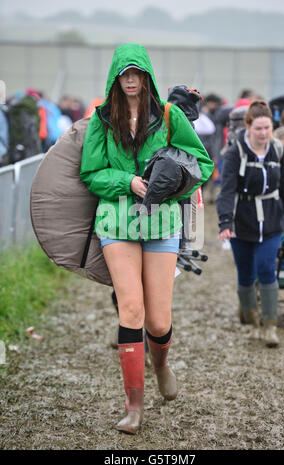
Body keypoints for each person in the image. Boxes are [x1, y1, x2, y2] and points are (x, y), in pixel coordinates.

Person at [80, 43, 213, 434]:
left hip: (161, 224)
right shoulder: (100, 120)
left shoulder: (170, 116)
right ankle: (134, 406)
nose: (132, 80)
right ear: (116, 77)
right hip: (116, 224)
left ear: (148, 76)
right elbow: (90, 174)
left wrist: (169, 180)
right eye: (125, 73)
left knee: (158, 320)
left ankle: (162, 365)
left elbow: (201, 163)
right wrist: (127, 181)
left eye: (138, 73)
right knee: (131, 312)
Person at [216, 100, 284, 347]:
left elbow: (283, 186)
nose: (263, 134)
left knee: (267, 268)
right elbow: (226, 190)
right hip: (243, 219)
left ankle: (270, 326)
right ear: (248, 126)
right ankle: (252, 322)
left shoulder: (278, 149)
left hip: (271, 218)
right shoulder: (236, 152)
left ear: (272, 126)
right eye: (258, 128)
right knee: (246, 274)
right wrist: (225, 221)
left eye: (267, 128)